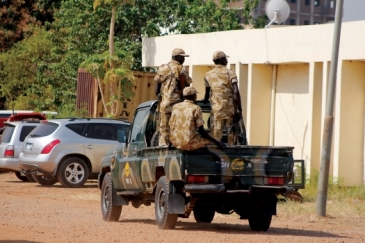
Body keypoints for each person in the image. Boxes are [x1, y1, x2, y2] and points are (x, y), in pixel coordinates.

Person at [154, 48, 192, 146]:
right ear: (177, 57)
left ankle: (163, 148)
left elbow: (157, 88)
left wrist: (162, 95)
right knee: (177, 127)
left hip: (165, 104)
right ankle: (176, 147)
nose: (184, 59)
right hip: (178, 105)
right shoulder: (182, 69)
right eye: (182, 57)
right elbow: (187, 88)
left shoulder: (162, 68)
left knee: (164, 128)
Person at [203, 51, 242, 145]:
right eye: (225, 58)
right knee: (232, 136)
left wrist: (204, 101)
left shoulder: (208, 74)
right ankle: (232, 156)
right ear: (221, 60)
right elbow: (236, 91)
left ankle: (215, 156)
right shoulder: (230, 72)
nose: (227, 60)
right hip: (230, 110)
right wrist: (240, 109)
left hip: (216, 110)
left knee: (215, 137)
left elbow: (207, 94)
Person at [169, 87, 226, 151]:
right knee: (211, 140)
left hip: (176, 142)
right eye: (195, 94)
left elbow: (171, 126)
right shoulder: (196, 108)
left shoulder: (175, 107)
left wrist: (170, 143)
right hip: (189, 143)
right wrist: (218, 142)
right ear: (193, 96)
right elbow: (202, 131)